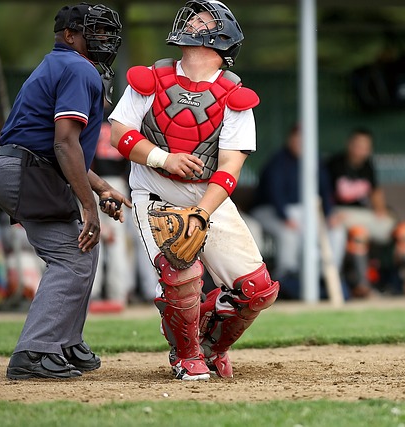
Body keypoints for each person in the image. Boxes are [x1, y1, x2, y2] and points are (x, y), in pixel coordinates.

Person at [109, 0, 279, 381]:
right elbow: (119, 135)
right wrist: (163, 159)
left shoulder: (235, 97)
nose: (192, 22)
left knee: (257, 290)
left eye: (203, 20)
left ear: (221, 39)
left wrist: (202, 213)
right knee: (181, 273)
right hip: (154, 193)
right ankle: (185, 356)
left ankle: (212, 346)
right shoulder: (151, 78)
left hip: (208, 199)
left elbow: (231, 166)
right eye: (193, 17)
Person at [0, 3, 128, 380]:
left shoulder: (61, 64)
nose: (103, 39)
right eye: (92, 32)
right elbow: (65, 144)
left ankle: (64, 342)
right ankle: (34, 352)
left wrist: (99, 187)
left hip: (22, 168)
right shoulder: (79, 67)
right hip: (27, 171)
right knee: (71, 255)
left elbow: (62, 150)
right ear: (69, 35)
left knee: (82, 249)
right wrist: (89, 207)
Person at [326, 128, 405, 296]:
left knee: (404, 230)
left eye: (365, 147)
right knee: (359, 233)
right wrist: (329, 212)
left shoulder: (368, 165)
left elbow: (376, 193)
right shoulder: (334, 164)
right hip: (342, 214)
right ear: (349, 145)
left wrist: (382, 211)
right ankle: (363, 286)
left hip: (365, 216)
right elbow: (323, 195)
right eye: (358, 145)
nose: (361, 150)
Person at [251, 125, 346, 299]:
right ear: (290, 139)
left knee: (337, 231)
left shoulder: (315, 161)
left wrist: (330, 213)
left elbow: (324, 191)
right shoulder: (278, 161)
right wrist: (285, 217)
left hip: (304, 212)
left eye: (304, 140)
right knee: (290, 232)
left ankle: (326, 275)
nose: (300, 143)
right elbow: (274, 194)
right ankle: (287, 276)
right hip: (269, 211)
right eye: (297, 138)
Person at [89, 111, 135, 312]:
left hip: (94, 182)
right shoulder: (119, 120)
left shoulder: (90, 119)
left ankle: (93, 292)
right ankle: (119, 292)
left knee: (92, 236)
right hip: (117, 184)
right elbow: (131, 159)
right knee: (116, 241)